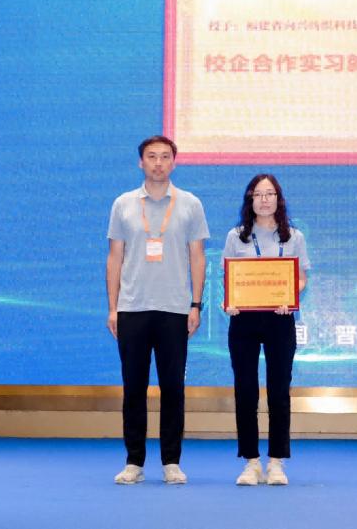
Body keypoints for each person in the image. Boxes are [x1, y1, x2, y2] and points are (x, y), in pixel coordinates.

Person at [106, 135, 208, 485]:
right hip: (132, 308)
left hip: (174, 309)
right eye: (152, 157)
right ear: (141, 162)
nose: (158, 163)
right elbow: (114, 257)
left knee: (173, 389)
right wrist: (113, 308)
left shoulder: (190, 203)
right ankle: (134, 461)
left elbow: (197, 256)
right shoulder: (123, 204)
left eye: (165, 157)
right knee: (133, 388)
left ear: (174, 163)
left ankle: (171, 462)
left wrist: (195, 304)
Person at [222, 174, 310, 486]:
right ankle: (251, 462)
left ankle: (276, 462)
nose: (264, 200)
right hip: (244, 320)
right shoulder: (237, 236)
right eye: (258, 194)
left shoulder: (293, 237)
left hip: (279, 319)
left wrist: (291, 296)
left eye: (270, 193)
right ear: (250, 199)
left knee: (279, 391)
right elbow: (229, 276)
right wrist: (229, 301)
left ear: (278, 199)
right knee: (245, 391)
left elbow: (301, 277)